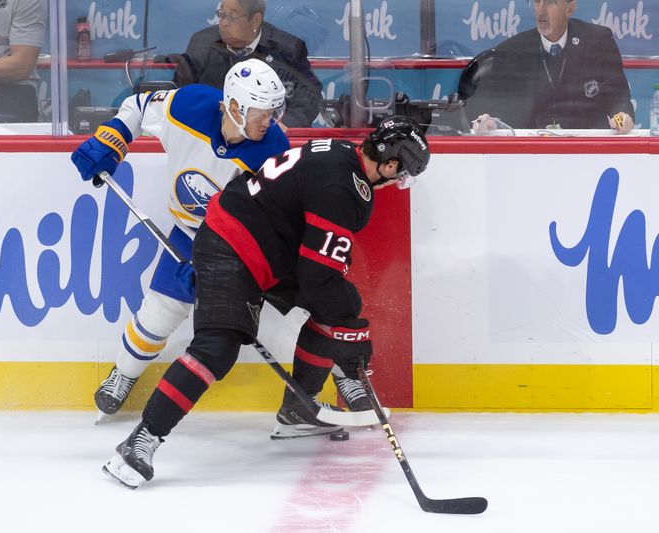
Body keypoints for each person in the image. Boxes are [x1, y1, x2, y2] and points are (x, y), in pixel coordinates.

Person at [102, 116, 431, 488]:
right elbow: (316, 277)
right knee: (218, 345)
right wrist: (352, 341)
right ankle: (141, 440)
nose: (396, 183)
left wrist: (345, 329)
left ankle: (298, 410)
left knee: (340, 304)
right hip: (233, 245)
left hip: (263, 245)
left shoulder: (341, 152)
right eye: (401, 175)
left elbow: (318, 268)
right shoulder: (347, 190)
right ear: (389, 164)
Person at [71, 58, 295, 416]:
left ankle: (312, 394)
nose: (270, 121)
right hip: (188, 233)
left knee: (259, 324)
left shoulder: (273, 151)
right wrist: (113, 138)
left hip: (237, 245)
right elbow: (139, 107)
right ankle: (124, 374)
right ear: (234, 107)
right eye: (261, 112)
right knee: (161, 311)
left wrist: (221, 269)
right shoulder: (187, 107)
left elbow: (276, 220)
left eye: (273, 111)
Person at [469, 0, 634, 133]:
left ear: (570, 8)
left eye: (550, 2)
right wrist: (491, 122)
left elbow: (619, 98)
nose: (541, 10)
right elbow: (500, 111)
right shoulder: (512, 50)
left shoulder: (598, 42)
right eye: (537, 1)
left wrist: (622, 116)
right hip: (530, 155)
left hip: (585, 154)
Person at [172, 0, 322, 129]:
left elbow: (311, 96)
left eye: (232, 16)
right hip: (212, 135)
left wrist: (286, 124)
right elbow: (180, 93)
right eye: (221, 14)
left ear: (256, 20)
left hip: (266, 137)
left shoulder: (287, 49)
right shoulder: (202, 43)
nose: (223, 23)